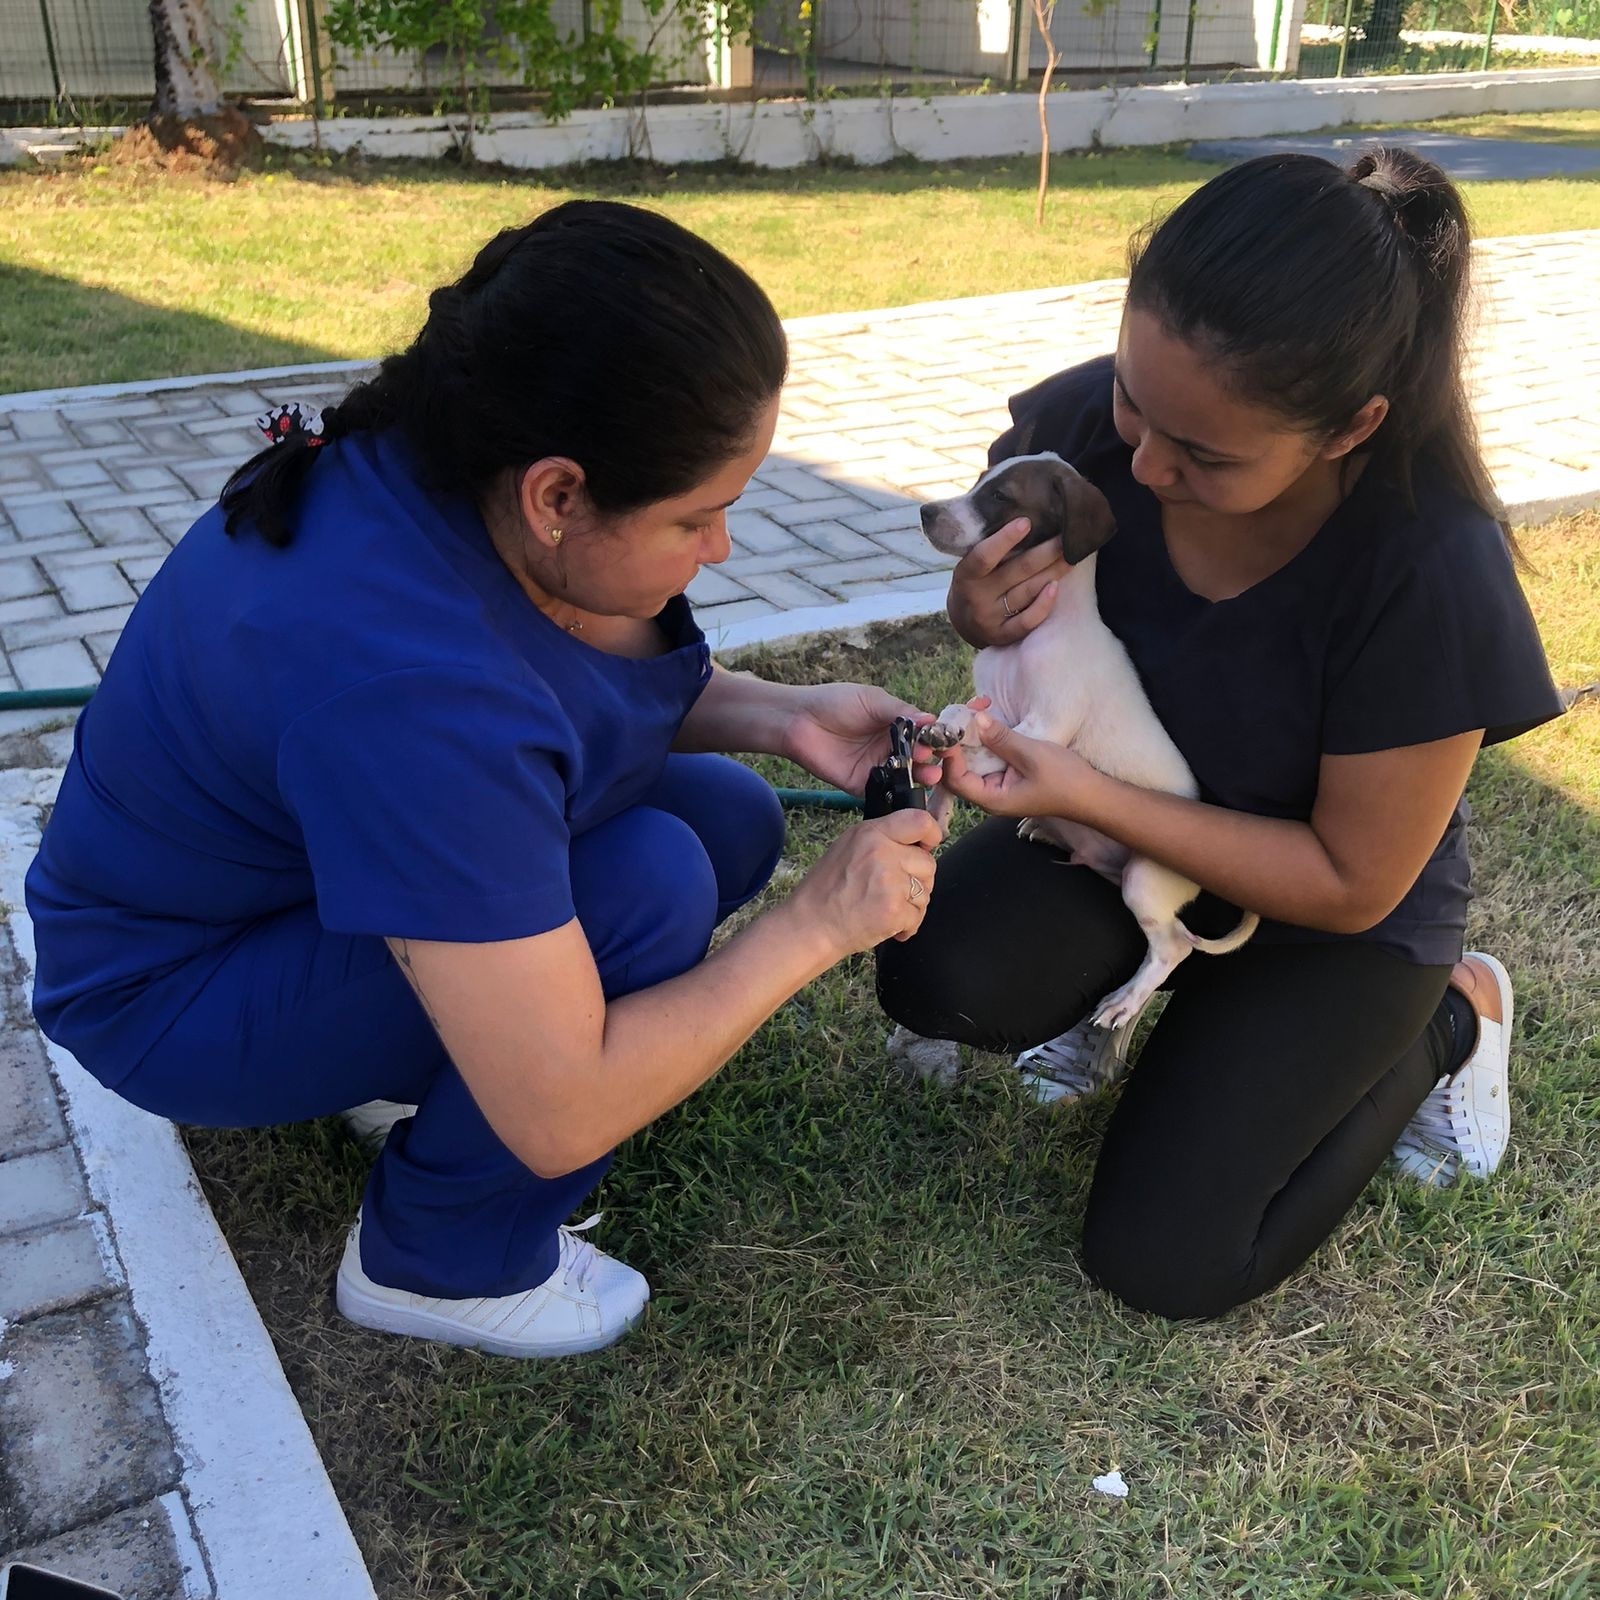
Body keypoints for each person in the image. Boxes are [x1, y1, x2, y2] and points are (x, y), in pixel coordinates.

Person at [26, 201, 942, 1360]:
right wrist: (821, 925)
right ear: (557, 495)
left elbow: (557, 677)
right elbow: (564, 1109)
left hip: (270, 894)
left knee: (723, 812)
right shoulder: (412, 688)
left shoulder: (435, 466)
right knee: (649, 879)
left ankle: (419, 1049)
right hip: (169, 994)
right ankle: (440, 1258)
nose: (718, 550)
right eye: (698, 516)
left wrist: (787, 714)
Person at [879, 148, 1564, 1321]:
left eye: (1202, 456)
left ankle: (1452, 1016)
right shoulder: (1089, 440)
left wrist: (1087, 800)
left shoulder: (1427, 567)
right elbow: (1010, 615)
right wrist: (972, 612)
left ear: (1350, 428)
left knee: (1166, 1261)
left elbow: (1350, 880)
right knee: (939, 967)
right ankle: (1160, 1003)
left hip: (1326, 919)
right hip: (1129, 832)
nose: (1143, 464)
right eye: (1132, 404)